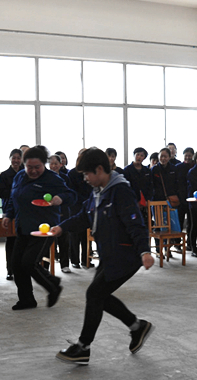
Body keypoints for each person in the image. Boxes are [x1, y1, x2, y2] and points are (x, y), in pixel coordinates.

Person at [52, 148, 154, 364]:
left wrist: (145, 251)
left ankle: (83, 346)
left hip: (125, 256)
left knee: (95, 294)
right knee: (100, 296)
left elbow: (136, 223)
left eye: (87, 174)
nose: (85, 179)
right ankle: (137, 327)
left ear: (99, 170)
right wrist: (62, 227)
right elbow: (84, 216)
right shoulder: (98, 191)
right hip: (109, 255)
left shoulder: (120, 191)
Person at [2, 146, 76, 310]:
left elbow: (72, 196)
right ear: (24, 164)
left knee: (29, 263)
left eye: (37, 167)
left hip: (44, 229)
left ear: (44, 164)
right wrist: (8, 215)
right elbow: (14, 198)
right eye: (30, 167)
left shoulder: (52, 179)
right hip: (23, 227)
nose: (33, 171)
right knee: (16, 265)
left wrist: (60, 198)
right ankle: (27, 299)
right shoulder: (19, 176)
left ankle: (53, 286)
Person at [0, 148, 23, 281]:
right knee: (11, 242)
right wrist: (16, 194)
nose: (16, 160)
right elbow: (1, 192)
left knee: (24, 241)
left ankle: (24, 269)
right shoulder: (4, 175)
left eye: (18, 158)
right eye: (14, 158)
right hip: (10, 210)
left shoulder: (26, 173)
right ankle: (10, 270)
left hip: (24, 211)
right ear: (10, 159)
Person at [67, 148, 92, 269]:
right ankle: (75, 260)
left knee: (86, 234)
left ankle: (86, 260)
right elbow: (71, 191)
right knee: (75, 234)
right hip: (75, 205)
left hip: (89, 205)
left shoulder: (91, 172)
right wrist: (83, 200)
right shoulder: (72, 173)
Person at [49, 154, 71, 273]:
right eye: (51, 164)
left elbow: (70, 194)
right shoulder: (45, 178)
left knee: (64, 239)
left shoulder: (65, 178)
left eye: (56, 163)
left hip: (63, 211)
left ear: (60, 164)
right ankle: (45, 265)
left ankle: (64, 264)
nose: (53, 166)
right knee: (47, 240)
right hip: (49, 212)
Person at [123, 147, 152, 211]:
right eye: (137, 154)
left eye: (142, 155)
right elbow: (125, 187)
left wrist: (148, 199)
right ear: (134, 155)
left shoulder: (147, 171)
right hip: (132, 201)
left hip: (145, 202)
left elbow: (150, 186)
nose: (139, 157)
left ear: (144, 158)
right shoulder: (127, 170)